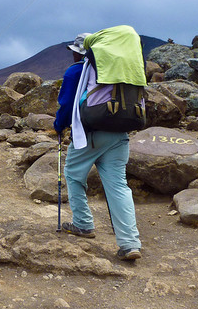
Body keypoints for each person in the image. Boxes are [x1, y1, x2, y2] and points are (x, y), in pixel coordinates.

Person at [53, 30, 143, 261]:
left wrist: (59, 126)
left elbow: (66, 104)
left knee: (73, 175)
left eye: (75, 53)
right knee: (119, 186)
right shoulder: (123, 70)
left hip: (90, 133)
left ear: (83, 53)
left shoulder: (78, 71)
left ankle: (83, 224)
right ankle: (130, 243)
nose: (73, 57)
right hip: (119, 134)